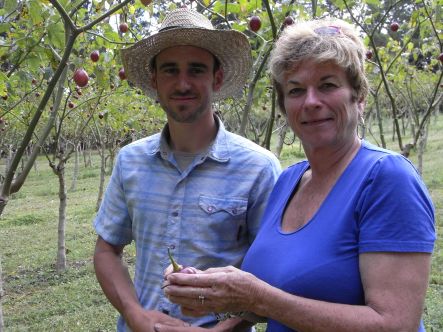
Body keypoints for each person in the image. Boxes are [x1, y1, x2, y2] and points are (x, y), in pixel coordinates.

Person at [161, 18, 437, 332]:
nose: (310, 102)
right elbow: (279, 294)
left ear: (358, 97)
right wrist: (220, 302)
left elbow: (395, 325)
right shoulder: (288, 182)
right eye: (295, 90)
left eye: (327, 85)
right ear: (284, 106)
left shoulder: (387, 179)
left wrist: (256, 296)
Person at [92, 7, 281, 332]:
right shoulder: (130, 161)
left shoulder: (258, 168)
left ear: (216, 78)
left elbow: (273, 272)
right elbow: (107, 249)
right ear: (154, 79)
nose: (182, 83)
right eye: (169, 70)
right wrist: (136, 315)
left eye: (196, 70)